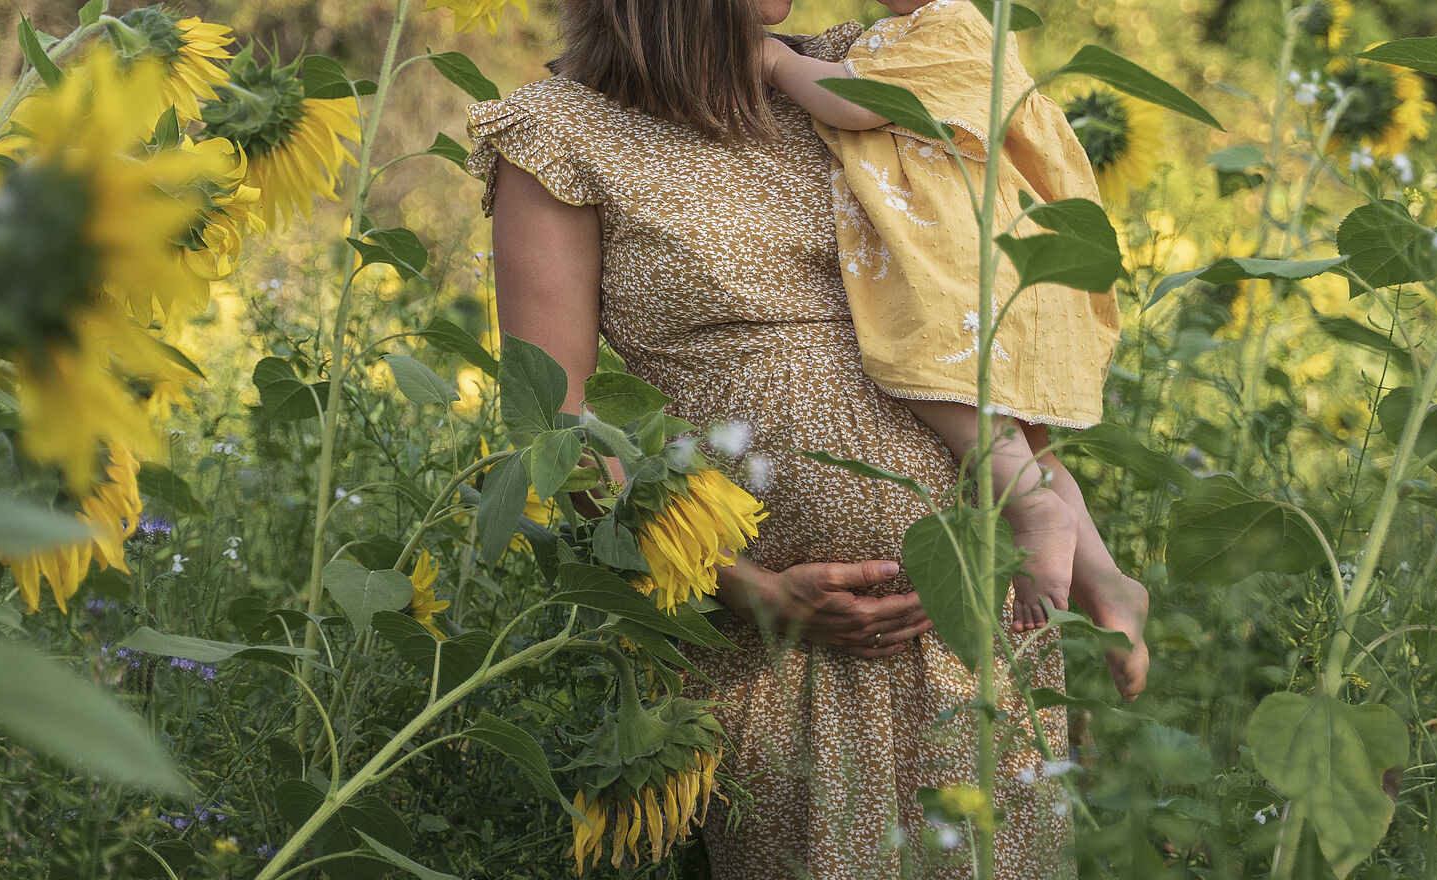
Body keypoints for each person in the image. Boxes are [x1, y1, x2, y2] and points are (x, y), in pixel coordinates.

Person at [468, 0, 1148, 874]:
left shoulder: (843, 78)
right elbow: (552, 433)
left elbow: (960, 317)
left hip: (979, 623)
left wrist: (1063, 525)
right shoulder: (560, 135)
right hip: (780, 660)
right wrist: (750, 592)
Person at [758, 0, 1132, 635]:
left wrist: (772, 60)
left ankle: (1029, 506)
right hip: (971, 247)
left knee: (939, 369)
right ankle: (1107, 579)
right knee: (1023, 432)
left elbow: (857, 104)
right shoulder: (918, 30)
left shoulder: (958, 27)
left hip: (959, 256)